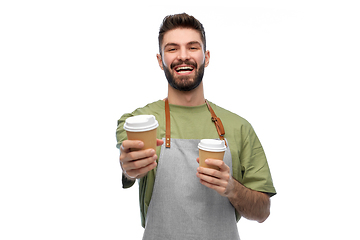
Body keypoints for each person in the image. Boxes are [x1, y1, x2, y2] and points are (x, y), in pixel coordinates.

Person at [116, 13, 276, 240]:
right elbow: (128, 154)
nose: (183, 56)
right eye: (172, 49)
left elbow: (262, 212)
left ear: (206, 57)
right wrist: (129, 168)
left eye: (192, 47)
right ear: (160, 60)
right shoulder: (141, 121)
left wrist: (232, 188)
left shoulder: (239, 128)